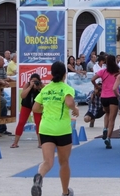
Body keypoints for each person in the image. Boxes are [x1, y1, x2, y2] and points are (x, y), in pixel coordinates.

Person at [31, 61, 79, 196]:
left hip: (45, 128)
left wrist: (46, 108)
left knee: (48, 162)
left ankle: (39, 178)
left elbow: (35, 108)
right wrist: (74, 108)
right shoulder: (66, 88)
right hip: (62, 129)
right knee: (63, 162)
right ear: (65, 74)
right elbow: (69, 102)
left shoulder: (45, 89)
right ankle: (65, 192)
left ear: (51, 73)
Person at [91, 54, 119, 149]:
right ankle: (108, 138)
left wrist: (96, 86)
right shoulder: (117, 72)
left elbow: (92, 79)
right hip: (113, 96)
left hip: (104, 96)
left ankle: (105, 128)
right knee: (112, 118)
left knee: (107, 113)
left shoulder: (102, 71)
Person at [11, 73, 43, 148]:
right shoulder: (27, 85)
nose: (35, 83)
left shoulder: (41, 85)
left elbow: (45, 94)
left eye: (36, 81)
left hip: (37, 105)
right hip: (26, 105)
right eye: (33, 81)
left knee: (38, 123)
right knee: (21, 122)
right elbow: (22, 95)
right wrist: (30, 87)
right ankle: (15, 142)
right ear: (30, 81)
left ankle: (40, 143)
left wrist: (39, 88)